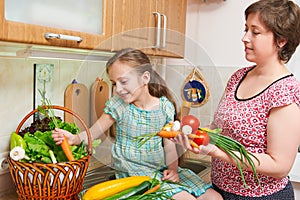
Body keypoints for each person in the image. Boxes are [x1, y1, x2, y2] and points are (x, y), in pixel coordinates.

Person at [52, 48, 222, 200]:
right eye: (114, 83)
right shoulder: (118, 106)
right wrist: (74, 138)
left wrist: (173, 169)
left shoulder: (164, 107)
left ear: (145, 78)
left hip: (161, 170)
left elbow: (169, 144)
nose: (118, 89)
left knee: (213, 197)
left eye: (123, 82)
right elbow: (93, 132)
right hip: (134, 175)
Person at [171, 0, 300, 199]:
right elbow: (219, 129)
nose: (244, 38)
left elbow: (279, 166)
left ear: (281, 40)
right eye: (246, 29)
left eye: (255, 32)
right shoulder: (238, 77)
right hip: (220, 190)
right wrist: (195, 137)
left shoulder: (286, 90)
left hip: (260, 197)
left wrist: (216, 152)